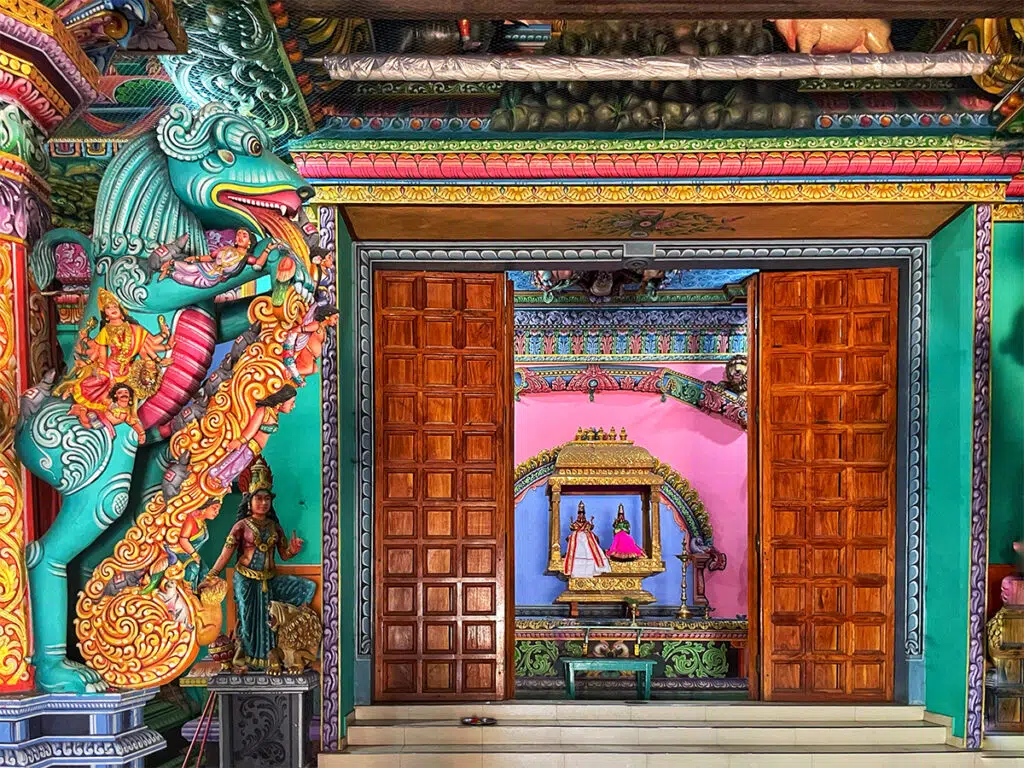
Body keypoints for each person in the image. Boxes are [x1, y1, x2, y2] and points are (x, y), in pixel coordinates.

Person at [203, 459, 315, 670]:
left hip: (267, 580)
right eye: (259, 498)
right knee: (247, 619)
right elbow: (225, 554)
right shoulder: (241, 526)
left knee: (269, 620)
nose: (263, 503)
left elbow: (283, 554)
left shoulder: (274, 526)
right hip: (245, 579)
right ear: (249, 500)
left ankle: (273, 655)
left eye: (267, 499)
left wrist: (293, 550)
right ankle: (243, 659)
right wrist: (212, 575)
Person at [57, 288, 173, 421]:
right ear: (105, 315)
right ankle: (73, 390)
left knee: (131, 390)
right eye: (108, 307)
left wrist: (164, 333)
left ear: (121, 311)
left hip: (127, 370)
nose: (112, 308)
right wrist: (96, 365)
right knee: (97, 382)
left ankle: (131, 414)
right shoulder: (106, 331)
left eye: (114, 306)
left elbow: (151, 342)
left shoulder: (136, 330)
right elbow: (100, 352)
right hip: (110, 367)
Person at [207, 384, 297, 490]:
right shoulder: (264, 411)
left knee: (239, 467)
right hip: (248, 445)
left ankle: (224, 481)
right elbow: (252, 429)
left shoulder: (274, 414)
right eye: (291, 403)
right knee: (235, 463)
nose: (293, 406)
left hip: (255, 449)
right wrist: (240, 441)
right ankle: (216, 476)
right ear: (281, 402)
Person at [563, 501, 612, 578]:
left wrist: (591, 523)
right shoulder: (575, 523)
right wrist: (573, 525)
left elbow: (591, 527)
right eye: (580, 514)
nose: (581, 516)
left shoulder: (587, 523)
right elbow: (572, 528)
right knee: (574, 541)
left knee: (592, 543)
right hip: (577, 538)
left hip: (587, 537)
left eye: (582, 514)